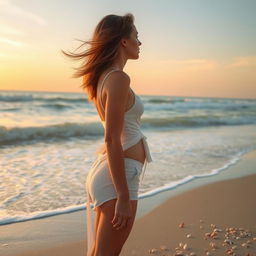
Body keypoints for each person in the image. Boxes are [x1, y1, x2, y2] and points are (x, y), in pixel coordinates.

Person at [61, 13, 152, 256]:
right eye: (136, 36)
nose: (139, 43)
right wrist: (122, 195)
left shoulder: (102, 79)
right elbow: (111, 139)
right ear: (123, 41)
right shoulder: (119, 78)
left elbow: (114, 136)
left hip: (110, 173)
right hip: (117, 178)